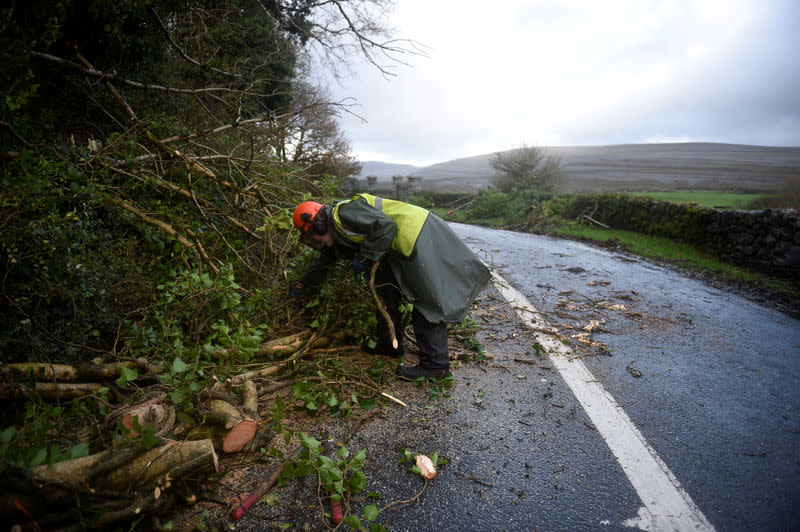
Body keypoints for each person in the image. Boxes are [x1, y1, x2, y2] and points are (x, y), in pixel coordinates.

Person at [289, 193, 490, 380]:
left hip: (416, 234)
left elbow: (386, 226)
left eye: (310, 235)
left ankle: (436, 365)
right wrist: (301, 284)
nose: (314, 241)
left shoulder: (344, 213)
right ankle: (390, 345)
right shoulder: (336, 233)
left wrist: (366, 256)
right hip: (396, 248)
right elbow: (324, 262)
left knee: (425, 300)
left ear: (318, 225)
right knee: (385, 290)